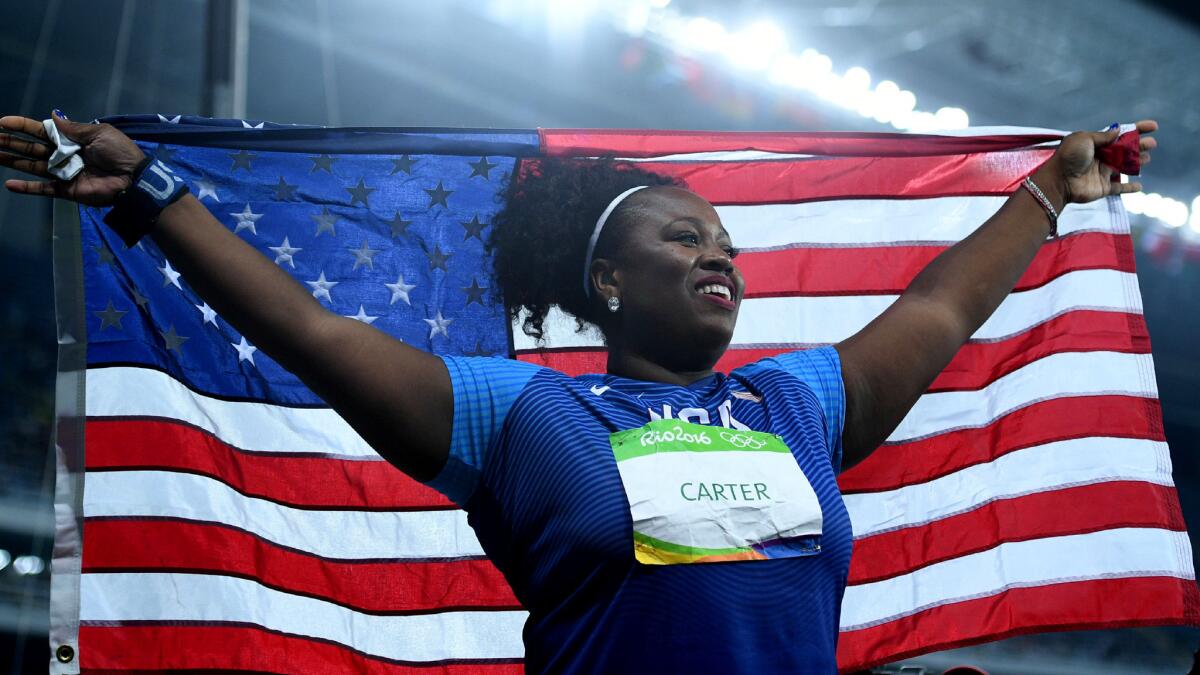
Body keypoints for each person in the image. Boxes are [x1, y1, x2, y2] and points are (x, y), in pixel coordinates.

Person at [0, 112, 1157, 673]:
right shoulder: (523, 418)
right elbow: (308, 328)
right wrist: (146, 194)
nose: (720, 255)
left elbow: (937, 313)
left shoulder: (791, 404)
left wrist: (1053, 189)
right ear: (607, 278)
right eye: (683, 238)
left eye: (727, 243)